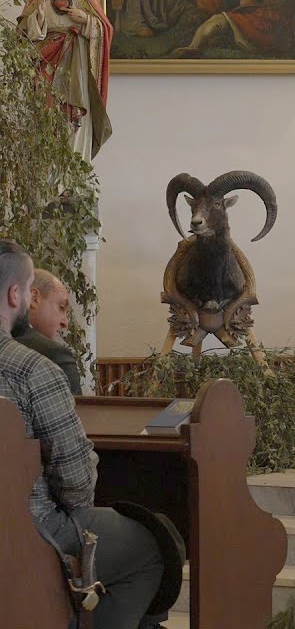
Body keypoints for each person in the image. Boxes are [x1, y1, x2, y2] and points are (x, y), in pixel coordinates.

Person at [0, 239, 165, 628]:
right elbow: (76, 487)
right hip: (26, 531)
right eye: (26, 293)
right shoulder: (32, 370)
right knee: (150, 549)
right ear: (14, 294)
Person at [17, 0, 113, 161]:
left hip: (77, 62)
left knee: (75, 114)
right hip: (47, 60)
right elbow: (22, 34)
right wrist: (38, 20)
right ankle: (49, 178)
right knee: (48, 113)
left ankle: (73, 176)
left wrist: (86, 19)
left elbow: (105, 28)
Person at [13, 269, 80, 395]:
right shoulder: (55, 355)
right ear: (34, 298)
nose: (65, 322)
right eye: (61, 307)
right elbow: (75, 413)